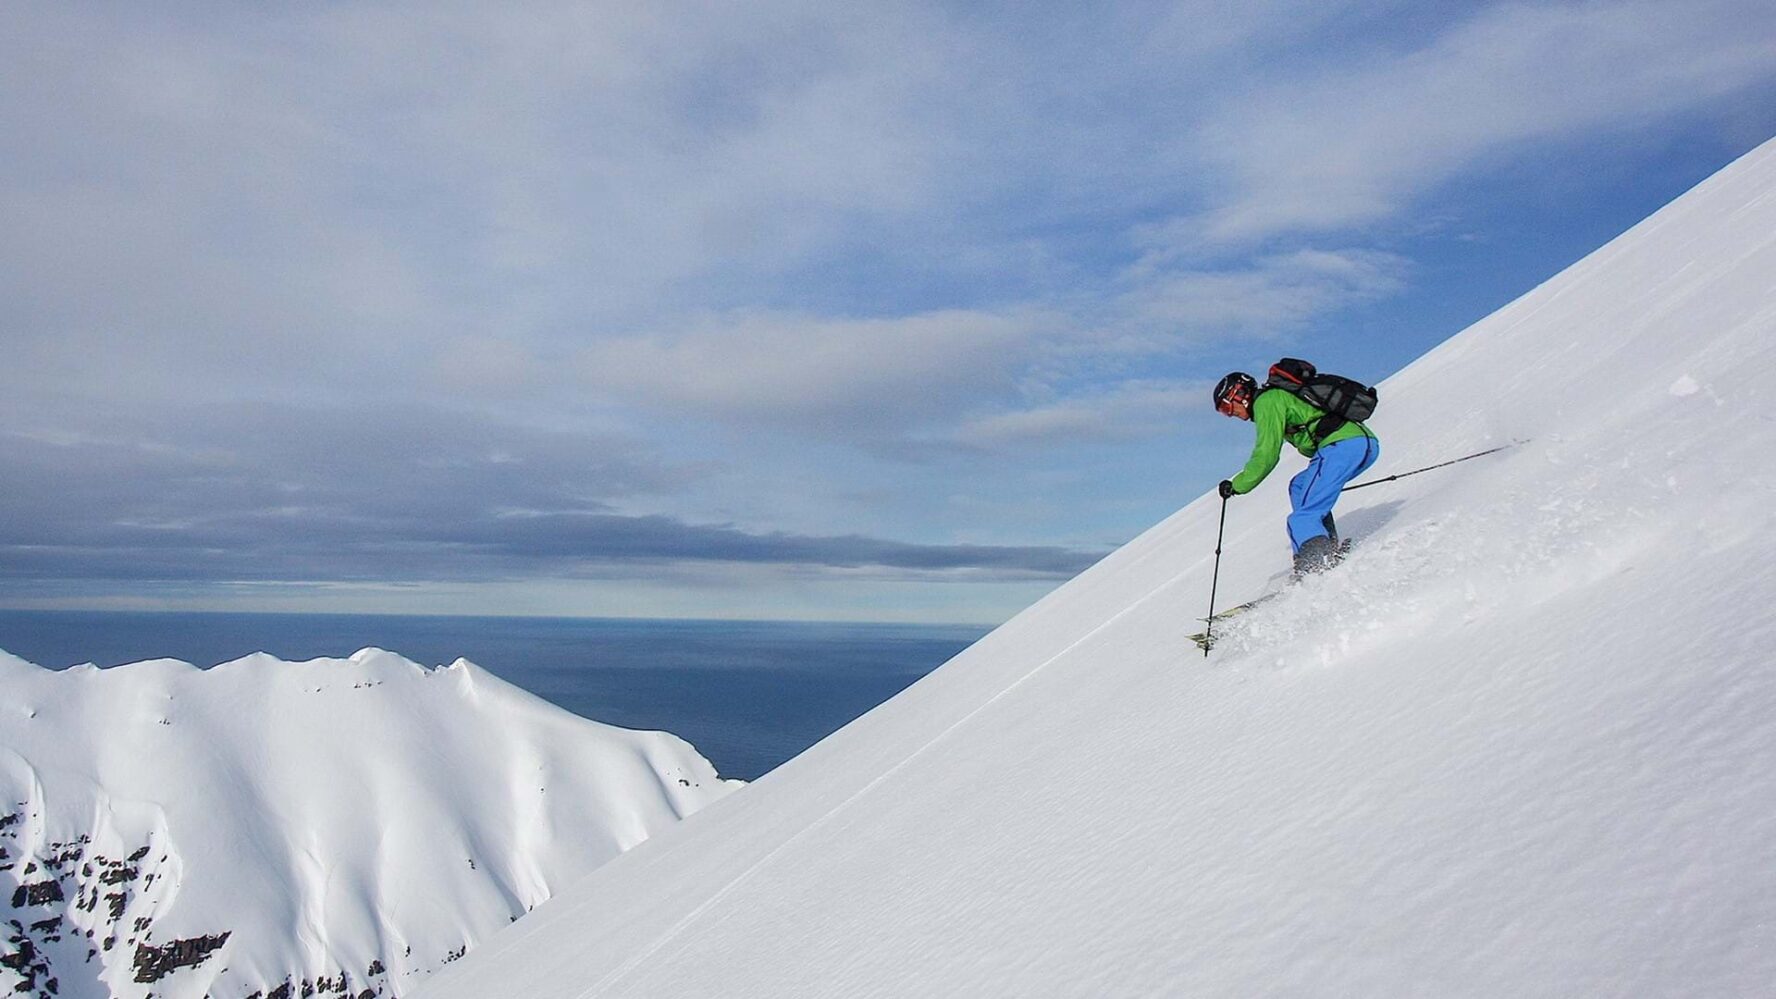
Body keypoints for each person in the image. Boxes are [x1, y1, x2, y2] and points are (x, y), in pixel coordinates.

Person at [1213, 370, 1380, 576]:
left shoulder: (1266, 401)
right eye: (1223, 411)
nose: (1230, 414)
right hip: (1361, 444)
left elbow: (1266, 454)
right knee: (1299, 485)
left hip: (1341, 447)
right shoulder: (1277, 398)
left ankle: (1316, 566)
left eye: (1227, 406)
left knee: (1301, 519)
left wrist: (1237, 485)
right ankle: (1324, 549)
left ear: (1240, 394)